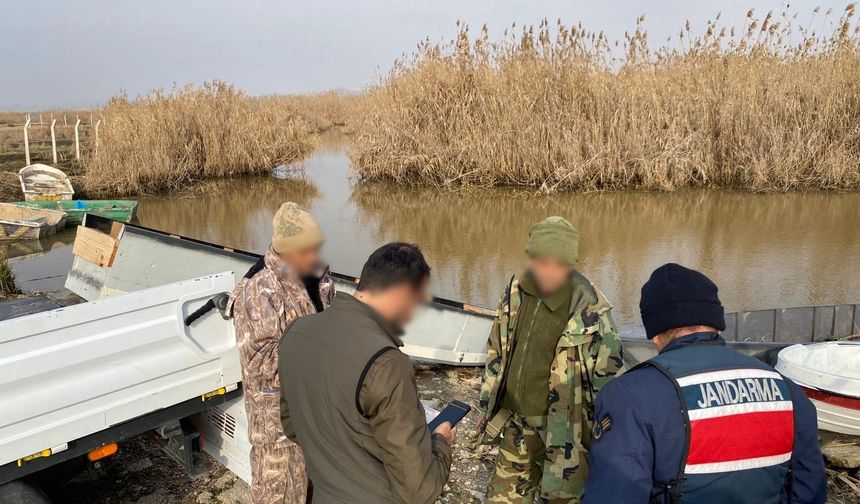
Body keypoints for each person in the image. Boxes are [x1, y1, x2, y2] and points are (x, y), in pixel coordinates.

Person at [583, 263, 827, 504]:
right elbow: (808, 489)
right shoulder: (786, 389)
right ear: (716, 324)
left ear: (655, 334)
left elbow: (615, 494)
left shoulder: (628, 396)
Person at [279, 242, 455, 504]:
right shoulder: (388, 363)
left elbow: (292, 425)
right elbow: (419, 490)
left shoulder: (297, 332)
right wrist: (441, 443)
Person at [475, 216, 625, 503]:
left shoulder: (591, 310)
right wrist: (487, 403)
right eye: (539, 261)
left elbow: (610, 386)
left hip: (564, 434)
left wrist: (607, 447)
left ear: (570, 264)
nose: (547, 271)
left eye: (558, 264)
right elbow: (497, 350)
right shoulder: (517, 290)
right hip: (516, 423)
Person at [226, 202, 335, 504]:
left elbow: (331, 321)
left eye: (316, 247)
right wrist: (323, 351)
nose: (315, 255)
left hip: (316, 411)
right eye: (306, 249)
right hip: (277, 428)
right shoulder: (259, 290)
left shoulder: (319, 276)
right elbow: (262, 364)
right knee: (280, 493)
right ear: (287, 249)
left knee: (316, 489)